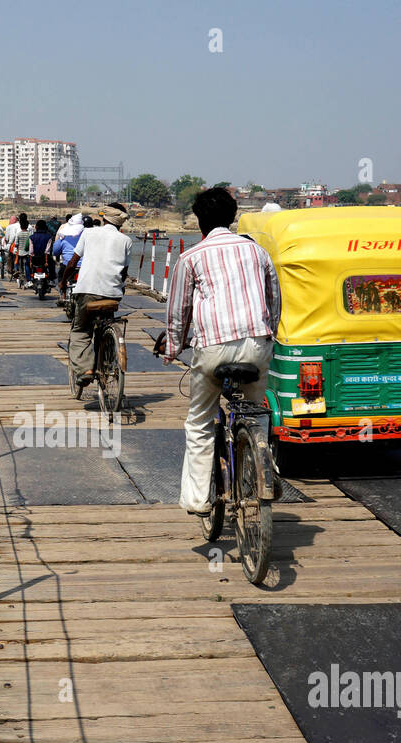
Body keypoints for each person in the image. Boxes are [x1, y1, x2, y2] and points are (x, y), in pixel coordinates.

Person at [160, 187, 280, 516]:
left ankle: (199, 499)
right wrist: (269, 335)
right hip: (257, 344)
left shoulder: (191, 257)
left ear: (200, 222)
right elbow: (274, 302)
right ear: (233, 217)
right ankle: (259, 468)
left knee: (199, 422)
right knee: (255, 411)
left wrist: (172, 348)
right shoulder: (258, 253)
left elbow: (178, 312)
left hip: (213, 350)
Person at [64, 203, 132, 389]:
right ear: (120, 223)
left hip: (86, 292)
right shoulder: (126, 240)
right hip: (112, 295)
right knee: (106, 323)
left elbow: (72, 263)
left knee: (81, 330)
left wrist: (63, 281)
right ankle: (108, 357)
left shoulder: (89, 233)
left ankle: (86, 370)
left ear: (104, 218)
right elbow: (123, 272)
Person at [29, 219, 53, 290]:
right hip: (44, 259)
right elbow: (47, 251)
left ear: (36, 227)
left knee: (27, 265)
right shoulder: (48, 237)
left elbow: (31, 251)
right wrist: (46, 261)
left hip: (34, 259)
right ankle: (51, 279)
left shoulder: (32, 237)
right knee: (52, 265)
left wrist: (30, 261)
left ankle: (29, 279)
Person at [13, 213, 34, 286]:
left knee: (18, 264)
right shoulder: (29, 234)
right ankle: (28, 280)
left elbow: (16, 244)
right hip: (27, 253)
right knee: (27, 266)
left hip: (20, 253)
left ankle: (17, 275)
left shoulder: (18, 234)